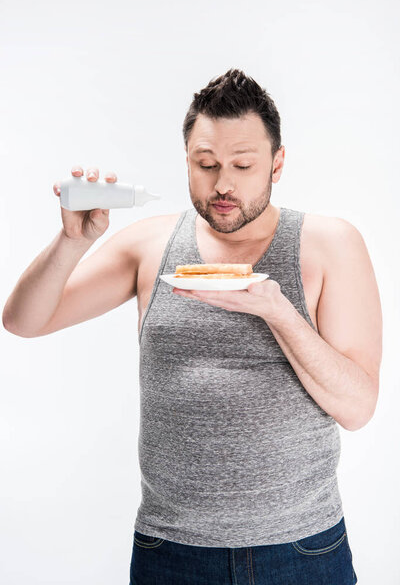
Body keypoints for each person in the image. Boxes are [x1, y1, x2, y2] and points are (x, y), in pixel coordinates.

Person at [2, 68, 382, 585]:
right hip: (171, 551)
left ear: (278, 163)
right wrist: (73, 240)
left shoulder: (329, 244)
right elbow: (23, 321)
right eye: (206, 165)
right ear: (187, 161)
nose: (223, 184)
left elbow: (358, 407)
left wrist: (277, 312)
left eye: (243, 165)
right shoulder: (150, 245)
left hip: (301, 549)